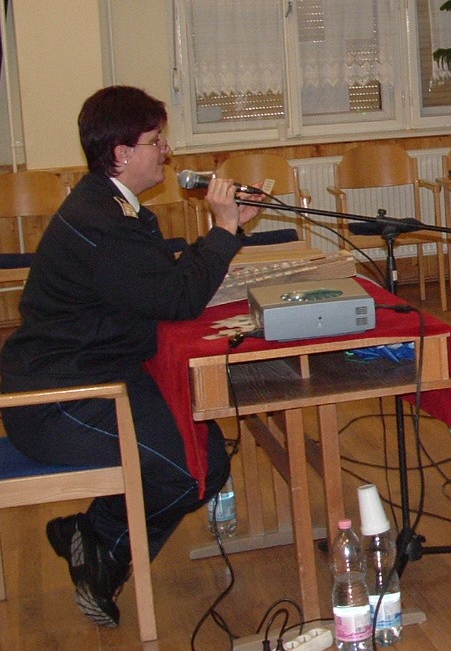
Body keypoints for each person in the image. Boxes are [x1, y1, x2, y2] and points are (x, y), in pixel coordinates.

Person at [0, 86, 261, 628]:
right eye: (155, 141)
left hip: (104, 373)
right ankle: (99, 548)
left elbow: (161, 284)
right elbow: (177, 299)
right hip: (57, 397)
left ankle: (92, 540)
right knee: (186, 471)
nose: (166, 151)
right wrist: (223, 229)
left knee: (209, 461)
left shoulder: (112, 205)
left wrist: (228, 230)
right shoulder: (103, 222)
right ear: (121, 152)